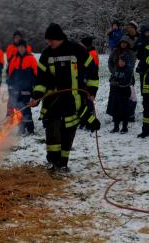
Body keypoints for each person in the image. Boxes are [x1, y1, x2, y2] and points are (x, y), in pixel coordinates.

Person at [29, 23, 101, 172]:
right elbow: (40, 79)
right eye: (47, 40)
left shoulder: (77, 50)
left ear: (59, 38)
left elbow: (92, 69)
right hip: (52, 100)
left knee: (68, 132)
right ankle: (53, 162)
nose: (49, 43)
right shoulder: (46, 55)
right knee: (52, 131)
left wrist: (92, 90)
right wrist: (36, 96)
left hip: (73, 100)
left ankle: (63, 163)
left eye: (51, 40)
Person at [6, 39, 37, 135]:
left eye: (22, 47)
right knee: (18, 109)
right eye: (19, 47)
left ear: (25, 47)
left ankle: (30, 129)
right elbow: (10, 74)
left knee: (26, 108)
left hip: (27, 89)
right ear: (17, 48)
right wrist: (10, 86)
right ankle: (21, 128)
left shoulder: (31, 58)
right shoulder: (14, 59)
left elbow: (36, 74)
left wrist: (34, 87)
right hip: (16, 89)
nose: (21, 49)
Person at [108, 35, 137, 122]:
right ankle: (116, 115)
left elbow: (132, 65)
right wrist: (114, 71)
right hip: (116, 76)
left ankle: (128, 115)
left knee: (129, 97)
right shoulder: (115, 51)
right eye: (122, 42)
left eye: (125, 43)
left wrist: (125, 71)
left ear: (128, 44)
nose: (123, 44)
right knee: (115, 98)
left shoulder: (130, 53)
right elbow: (110, 62)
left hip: (127, 77)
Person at [106, 55, 133, 134]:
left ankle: (125, 128)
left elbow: (128, 82)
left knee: (124, 110)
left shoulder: (129, 70)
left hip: (124, 93)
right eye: (119, 61)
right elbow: (111, 77)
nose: (120, 63)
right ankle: (116, 127)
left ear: (125, 62)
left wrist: (117, 83)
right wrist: (112, 81)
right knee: (115, 110)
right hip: (115, 93)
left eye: (122, 61)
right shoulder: (116, 69)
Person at [136, 24, 149, 138]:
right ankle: (145, 130)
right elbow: (139, 67)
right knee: (147, 108)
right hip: (146, 86)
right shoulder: (145, 53)